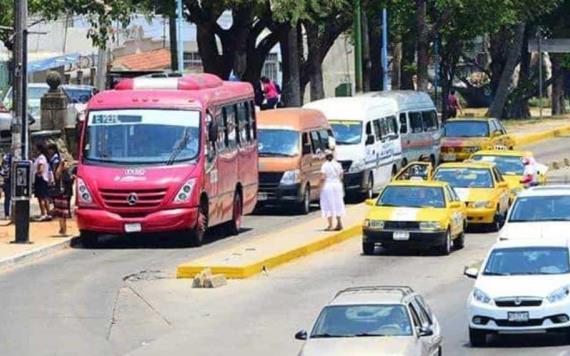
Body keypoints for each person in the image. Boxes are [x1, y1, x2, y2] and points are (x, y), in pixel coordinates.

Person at [320, 149, 345, 231]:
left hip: (328, 185)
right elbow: (341, 176)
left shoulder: (324, 166)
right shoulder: (338, 164)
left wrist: (319, 185)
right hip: (337, 185)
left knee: (328, 204)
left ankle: (330, 225)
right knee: (338, 203)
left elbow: (323, 177)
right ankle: (339, 223)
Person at [51, 160, 77, 236]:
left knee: (61, 214)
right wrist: (72, 178)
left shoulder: (59, 173)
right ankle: (64, 230)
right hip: (64, 195)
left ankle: (62, 229)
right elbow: (68, 181)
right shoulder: (64, 174)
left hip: (61, 194)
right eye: (66, 164)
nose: (68, 166)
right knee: (63, 214)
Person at [33, 142, 51, 221]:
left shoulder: (41, 158)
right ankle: (48, 213)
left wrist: (37, 173)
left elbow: (41, 169)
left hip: (40, 178)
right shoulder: (41, 157)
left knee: (41, 198)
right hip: (43, 179)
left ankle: (43, 213)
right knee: (44, 197)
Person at [0, 152, 12, 219]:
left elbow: (2, 172)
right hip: (8, 180)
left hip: (6, 180)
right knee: (8, 198)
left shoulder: (5, 157)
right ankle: (7, 214)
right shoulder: (7, 157)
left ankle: (7, 214)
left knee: (7, 198)